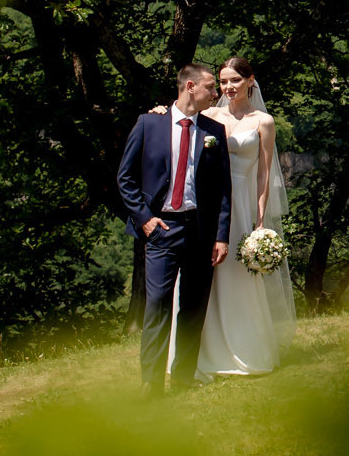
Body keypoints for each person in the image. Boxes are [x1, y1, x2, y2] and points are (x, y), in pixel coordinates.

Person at [153, 57, 296, 379]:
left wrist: (259, 219)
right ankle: (200, 353)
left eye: (235, 80)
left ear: (250, 80)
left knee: (237, 275)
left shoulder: (264, 121)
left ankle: (244, 348)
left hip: (242, 202)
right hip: (208, 203)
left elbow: (264, 173)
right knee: (201, 276)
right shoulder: (209, 115)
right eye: (223, 82)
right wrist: (161, 112)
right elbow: (179, 123)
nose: (228, 87)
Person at [116, 63, 233, 394]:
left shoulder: (213, 130)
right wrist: (145, 219)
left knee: (194, 308)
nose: (217, 93)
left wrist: (221, 235)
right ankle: (150, 385)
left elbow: (224, 188)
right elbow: (125, 178)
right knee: (157, 307)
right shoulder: (148, 124)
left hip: (200, 229)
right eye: (211, 87)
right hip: (161, 229)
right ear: (191, 87)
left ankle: (183, 379)